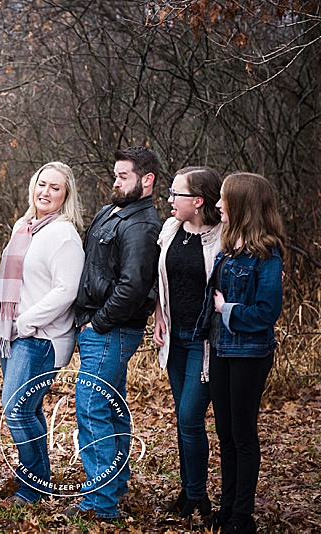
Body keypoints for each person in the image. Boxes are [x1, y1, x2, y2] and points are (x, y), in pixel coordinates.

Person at [69, 146, 163, 520]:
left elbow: (134, 286)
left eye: (123, 176)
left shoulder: (142, 225)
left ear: (147, 180)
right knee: (110, 407)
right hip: (98, 327)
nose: (116, 181)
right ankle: (115, 486)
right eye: (116, 174)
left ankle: (99, 504)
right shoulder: (112, 212)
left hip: (112, 329)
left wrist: (99, 323)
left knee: (92, 410)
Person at [0, 162, 85, 505]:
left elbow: (66, 291)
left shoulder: (64, 234)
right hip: (13, 334)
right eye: (41, 184)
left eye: (55, 188)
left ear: (66, 195)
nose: (45, 192)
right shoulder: (25, 226)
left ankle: (32, 487)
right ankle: (37, 480)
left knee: (16, 411)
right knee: (28, 410)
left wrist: (25, 322)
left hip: (41, 337)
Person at [195, 173, 285, 534]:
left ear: (243, 204)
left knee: (243, 434)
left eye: (224, 199)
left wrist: (226, 309)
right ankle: (227, 508)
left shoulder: (268, 255)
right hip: (220, 350)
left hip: (250, 353)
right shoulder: (228, 248)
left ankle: (242, 517)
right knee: (225, 432)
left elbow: (266, 312)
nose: (218, 205)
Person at [152, 167, 223, 518]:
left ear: (197, 201)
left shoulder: (224, 237)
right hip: (174, 338)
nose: (169, 199)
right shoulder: (171, 230)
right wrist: (159, 315)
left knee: (190, 417)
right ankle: (188, 491)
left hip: (203, 342)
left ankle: (198, 497)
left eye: (175, 193)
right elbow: (162, 281)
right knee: (184, 420)